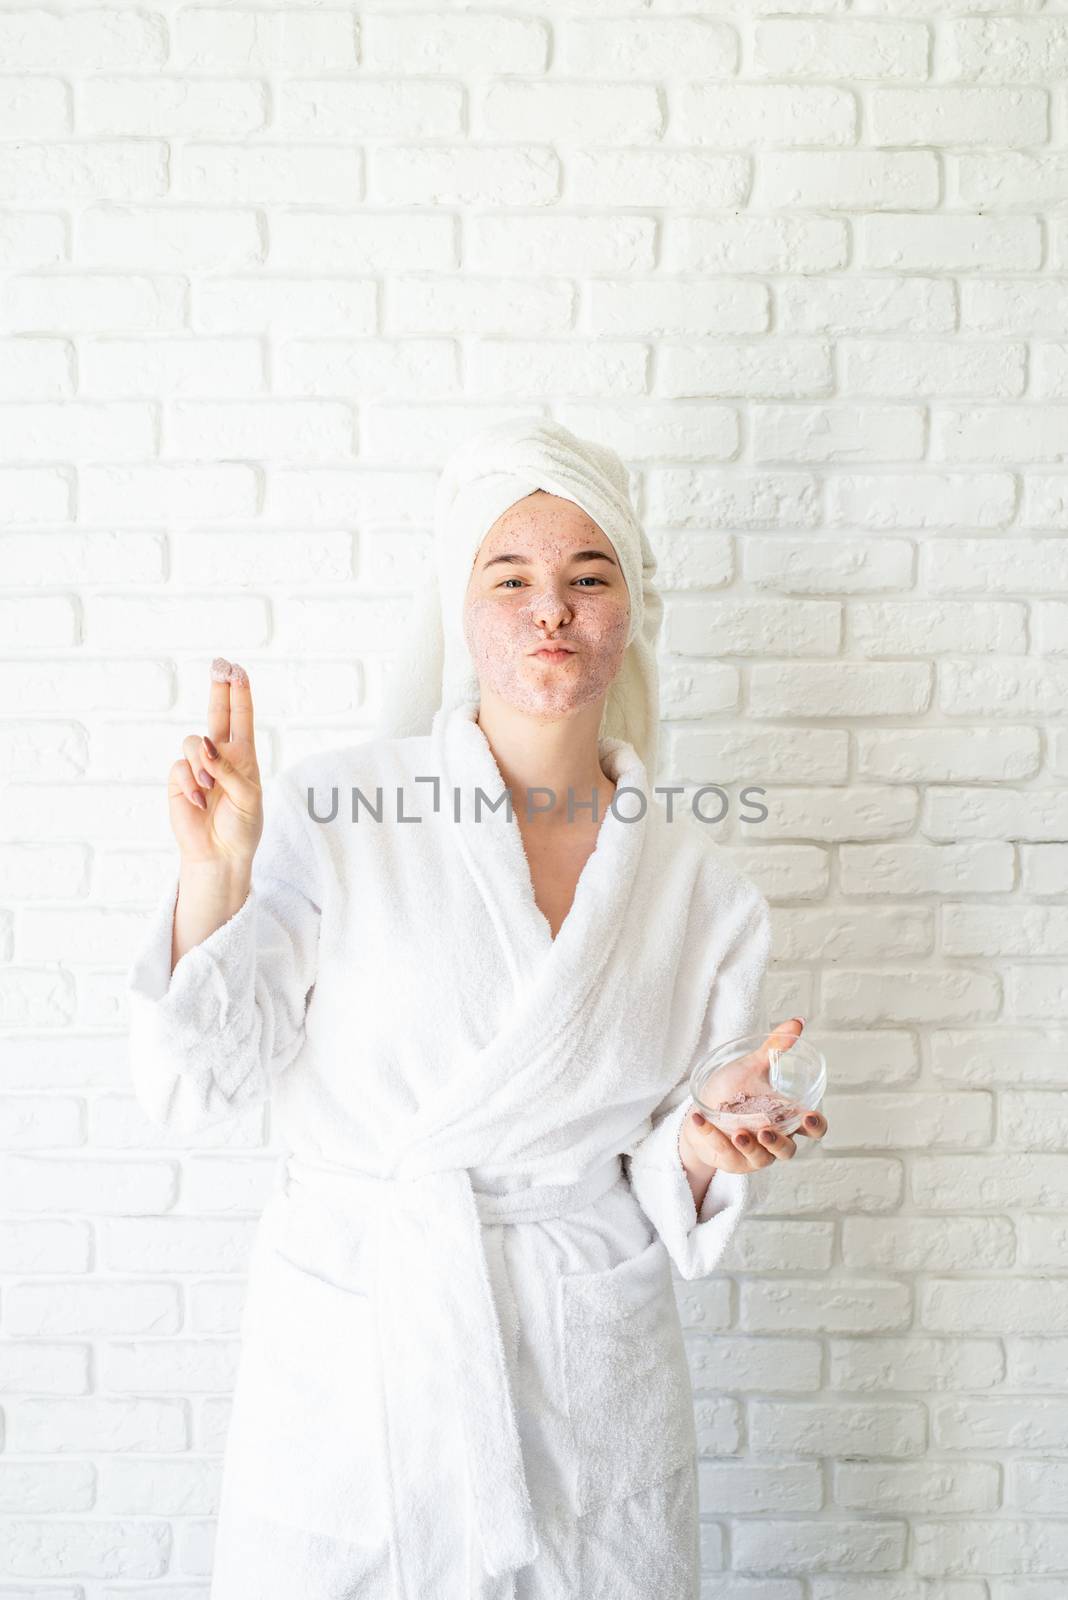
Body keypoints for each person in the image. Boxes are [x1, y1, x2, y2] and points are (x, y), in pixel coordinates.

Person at [126, 418, 827, 1600]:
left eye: (587, 577)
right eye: (512, 579)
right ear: (462, 605)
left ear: (631, 608)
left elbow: (666, 1155)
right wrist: (218, 873)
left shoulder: (702, 889)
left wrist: (707, 1140)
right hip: (359, 1358)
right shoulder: (337, 807)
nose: (550, 609)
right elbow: (197, 1083)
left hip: (582, 1374)